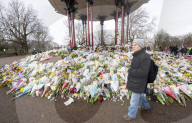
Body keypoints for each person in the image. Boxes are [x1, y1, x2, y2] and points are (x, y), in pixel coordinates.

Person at [123, 39, 151, 121]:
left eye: (135, 45)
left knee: (134, 100)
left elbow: (143, 72)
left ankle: (131, 114)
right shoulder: (137, 55)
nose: (133, 46)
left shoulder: (145, 56)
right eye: (133, 44)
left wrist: (130, 70)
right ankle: (146, 106)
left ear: (141, 46)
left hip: (139, 81)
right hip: (135, 80)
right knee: (140, 94)